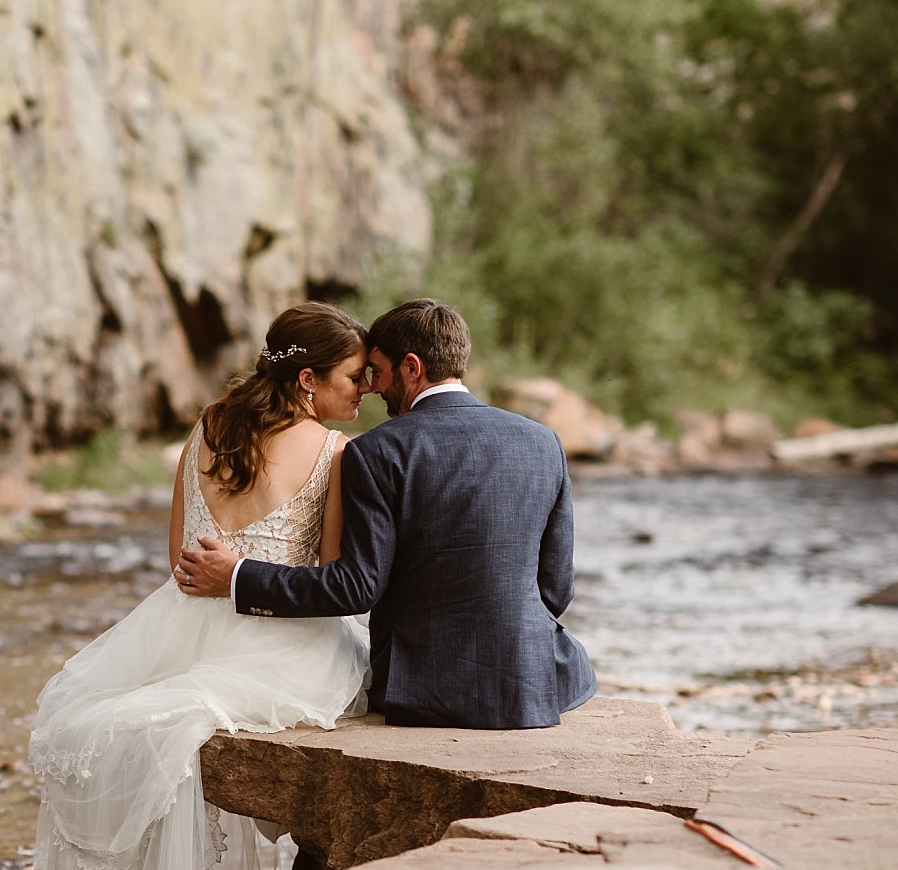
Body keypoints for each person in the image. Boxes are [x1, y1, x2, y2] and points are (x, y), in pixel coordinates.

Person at [28, 302, 372, 870]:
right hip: (281, 630)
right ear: (308, 380)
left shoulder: (205, 428)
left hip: (177, 623)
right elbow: (328, 575)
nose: (363, 390)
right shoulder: (334, 451)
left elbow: (177, 562)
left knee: (150, 715)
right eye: (352, 377)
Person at [178, 298, 596, 729]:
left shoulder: (377, 451)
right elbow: (555, 590)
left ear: (412, 368)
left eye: (376, 372)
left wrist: (237, 576)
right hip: (532, 685)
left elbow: (357, 588)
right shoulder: (543, 442)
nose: (372, 388)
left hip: (420, 688)